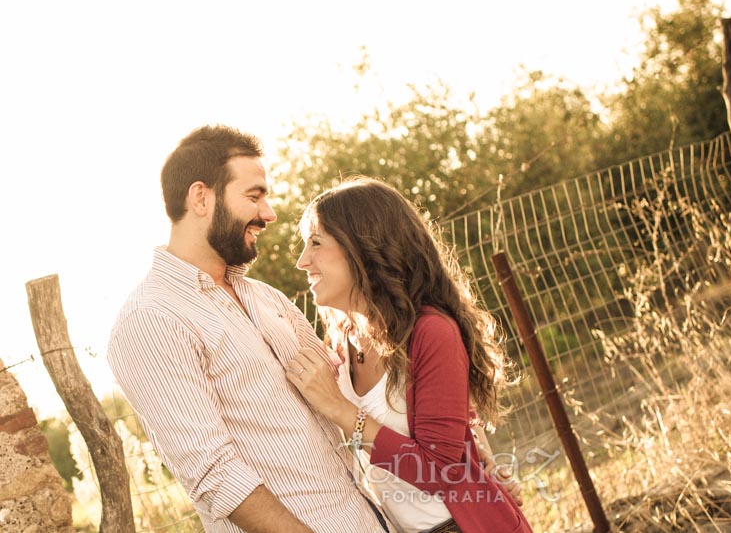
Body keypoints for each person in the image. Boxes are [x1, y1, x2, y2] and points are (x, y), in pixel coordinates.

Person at [107, 126, 390, 533]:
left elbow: (342, 394)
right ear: (200, 197)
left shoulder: (265, 297)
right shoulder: (151, 320)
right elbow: (213, 474)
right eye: (254, 196)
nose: (269, 213)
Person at [286, 177, 533, 533]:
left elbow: (440, 469)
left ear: (364, 247)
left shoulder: (431, 332)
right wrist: (477, 447)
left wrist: (341, 411)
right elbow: (445, 411)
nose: (302, 261)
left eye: (316, 243)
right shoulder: (342, 338)